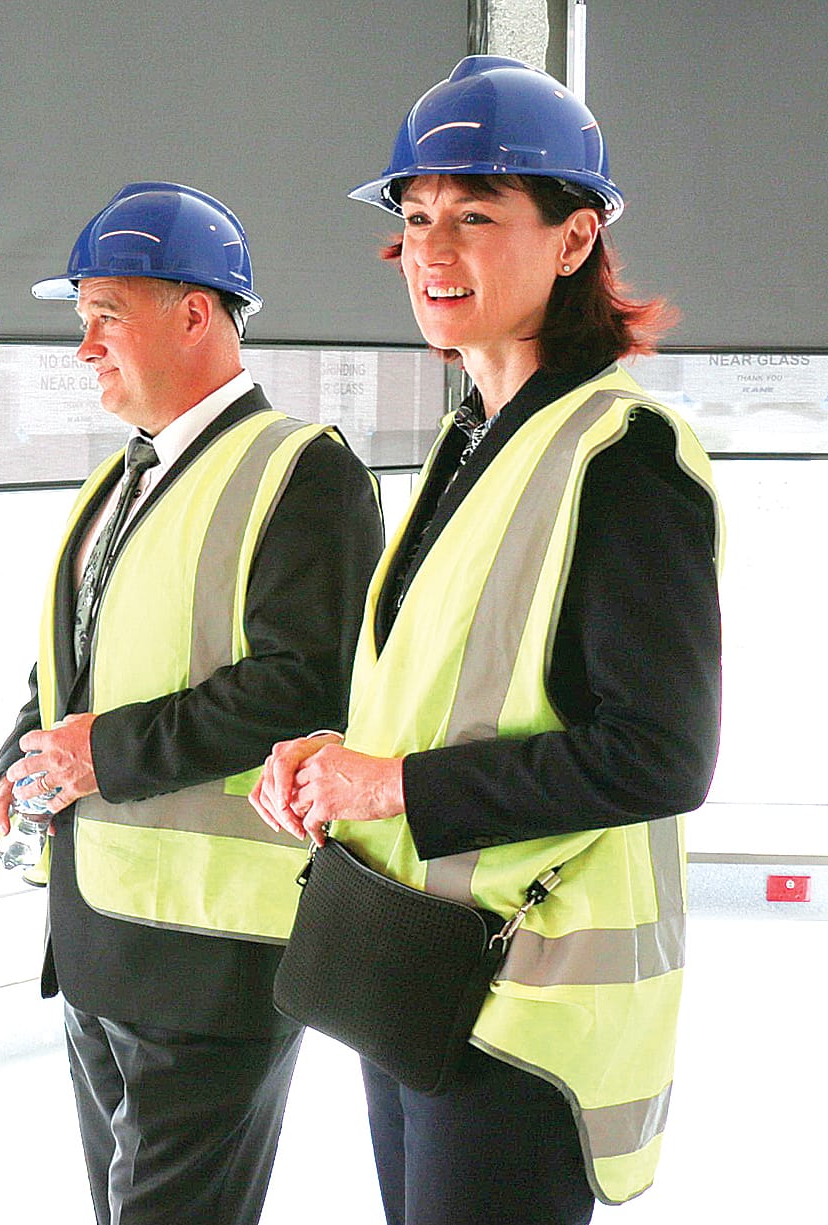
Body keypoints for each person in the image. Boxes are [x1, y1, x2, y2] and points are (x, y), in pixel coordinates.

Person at [252, 56, 724, 1224]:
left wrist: (391, 781)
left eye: (474, 215)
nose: (431, 249)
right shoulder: (470, 440)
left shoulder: (622, 455)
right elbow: (453, 692)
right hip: (415, 975)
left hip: (527, 1006)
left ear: (573, 242)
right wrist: (338, 755)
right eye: (413, 219)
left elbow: (659, 756)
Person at [0, 182, 384, 1225]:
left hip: (212, 957)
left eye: (104, 315)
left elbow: (301, 688)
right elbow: (73, 669)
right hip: (99, 941)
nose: (82, 348)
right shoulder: (120, 480)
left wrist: (97, 755)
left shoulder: (301, 470)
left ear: (194, 312)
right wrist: (13, 763)